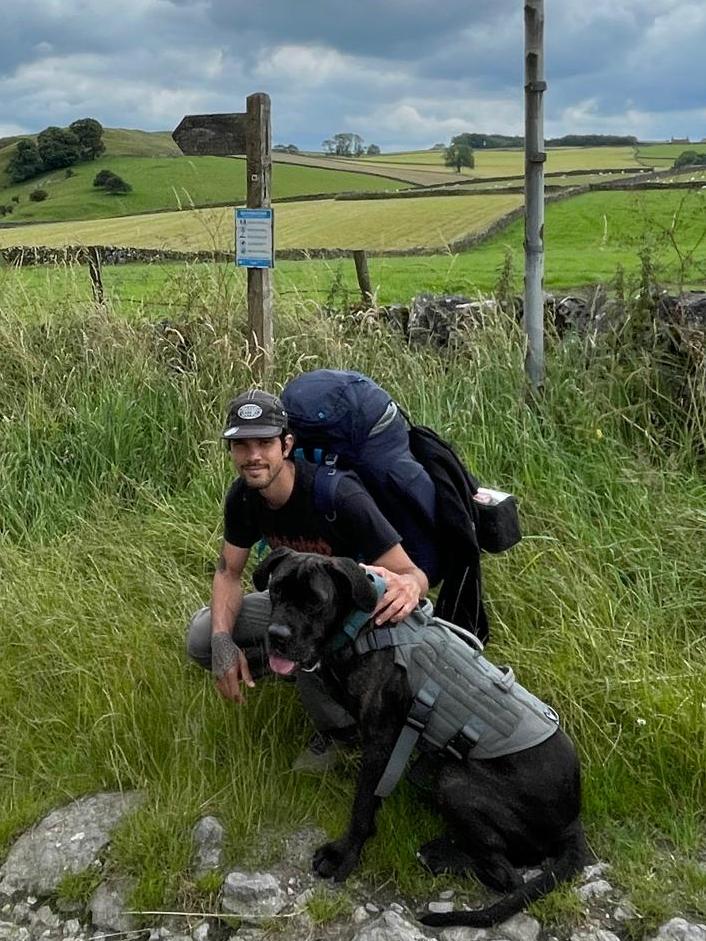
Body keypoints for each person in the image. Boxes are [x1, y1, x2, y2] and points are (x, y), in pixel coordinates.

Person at [186, 389, 429, 771]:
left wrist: (411, 586)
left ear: (286, 445)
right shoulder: (244, 499)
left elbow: (409, 572)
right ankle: (294, 670)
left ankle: (342, 733)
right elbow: (228, 572)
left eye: (264, 443)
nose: (252, 457)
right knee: (202, 637)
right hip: (294, 604)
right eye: (241, 445)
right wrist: (222, 643)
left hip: (351, 614)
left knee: (304, 632)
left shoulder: (338, 495)